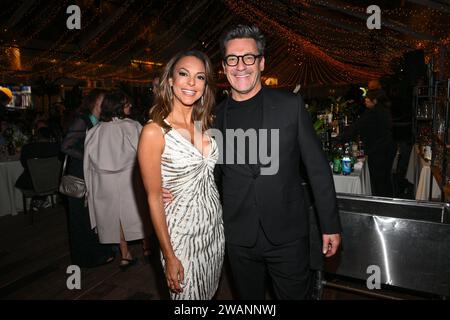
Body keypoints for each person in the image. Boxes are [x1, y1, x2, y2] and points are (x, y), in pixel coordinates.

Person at [213, 24, 341, 300]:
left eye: (249, 57)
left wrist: (330, 224)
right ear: (224, 67)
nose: (240, 66)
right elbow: (210, 176)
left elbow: (318, 170)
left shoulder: (289, 105)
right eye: (232, 59)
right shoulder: (214, 116)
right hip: (238, 236)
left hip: (287, 234)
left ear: (261, 63)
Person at [138, 50, 225, 299]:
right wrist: (169, 254)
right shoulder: (154, 132)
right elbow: (153, 198)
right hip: (181, 237)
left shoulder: (205, 124)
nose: (191, 83)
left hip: (214, 231)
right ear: (170, 80)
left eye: (200, 77)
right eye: (184, 74)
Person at [84, 91, 151, 270]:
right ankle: (147, 248)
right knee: (139, 212)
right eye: (127, 104)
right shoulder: (132, 126)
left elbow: (87, 163)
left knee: (115, 218)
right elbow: (146, 154)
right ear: (118, 107)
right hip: (129, 180)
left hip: (104, 183)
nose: (130, 107)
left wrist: (90, 187)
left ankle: (125, 255)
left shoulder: (94, 131)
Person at [61, 89, 116, 268]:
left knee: (95, 217)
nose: (104, 104)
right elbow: (66, 146)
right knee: (80, 219)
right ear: (93, 102)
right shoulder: (82, 120)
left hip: (93, 177)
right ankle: (84, 258)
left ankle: (99, 252)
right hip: (78, 177)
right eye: (102, 100)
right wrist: (89, 156)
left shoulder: (101, 122)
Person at [339, 89, 396, 197]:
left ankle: (383, 207)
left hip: (379, 150)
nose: (365, 101)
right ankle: (389, 203)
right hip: (387, 147)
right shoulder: (383, 109)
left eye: (367, 99)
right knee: (385, 180)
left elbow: (357, 127)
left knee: (379, 182)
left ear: (374, 101)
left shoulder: (373, 112)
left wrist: (340, 138)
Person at [15, 127, 61, 210]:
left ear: (37, 137)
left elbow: (24, 165)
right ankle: (42, 199)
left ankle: (39, 199)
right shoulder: (57, 147)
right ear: (50, 137)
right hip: (55, 182)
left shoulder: (27, 148)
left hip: (33, 185)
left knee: (29, 175)